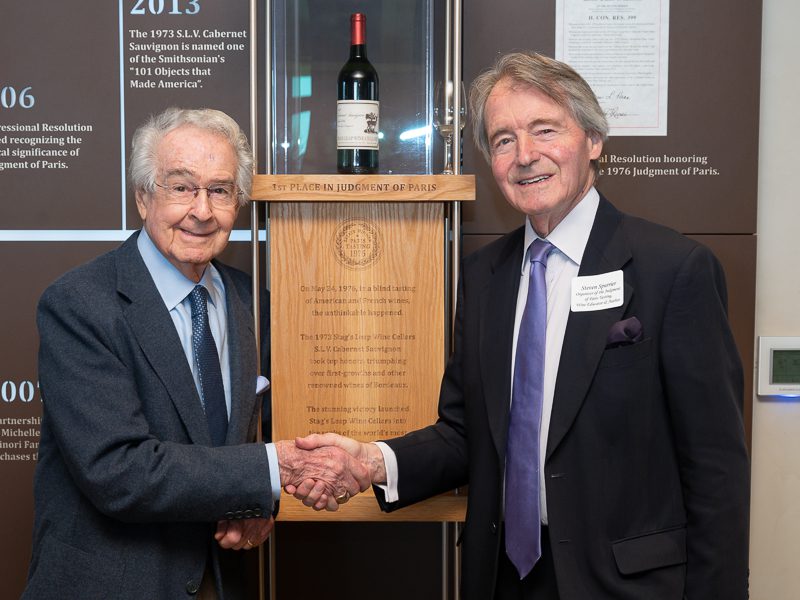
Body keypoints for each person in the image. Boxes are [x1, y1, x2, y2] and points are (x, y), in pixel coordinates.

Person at [290, 52, 751, 599]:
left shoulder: (672, 270)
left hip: (628, 586)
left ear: (593, 141)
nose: (525, 156)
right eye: (504, 140)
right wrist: (371, 461)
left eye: (545, 130)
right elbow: (466, 434)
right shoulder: (486, 277)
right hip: (503, 579)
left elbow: (716, 469)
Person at [23, 107, 368, 600]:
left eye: (220, 190)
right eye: (181, 187)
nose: (202, 211)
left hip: (219, 581)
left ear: (238, 203)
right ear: (144, 197)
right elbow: (118, 471)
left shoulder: (250, 302)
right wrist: (275, 471)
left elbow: (244, 442)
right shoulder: (80, 305)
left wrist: (257, 504)